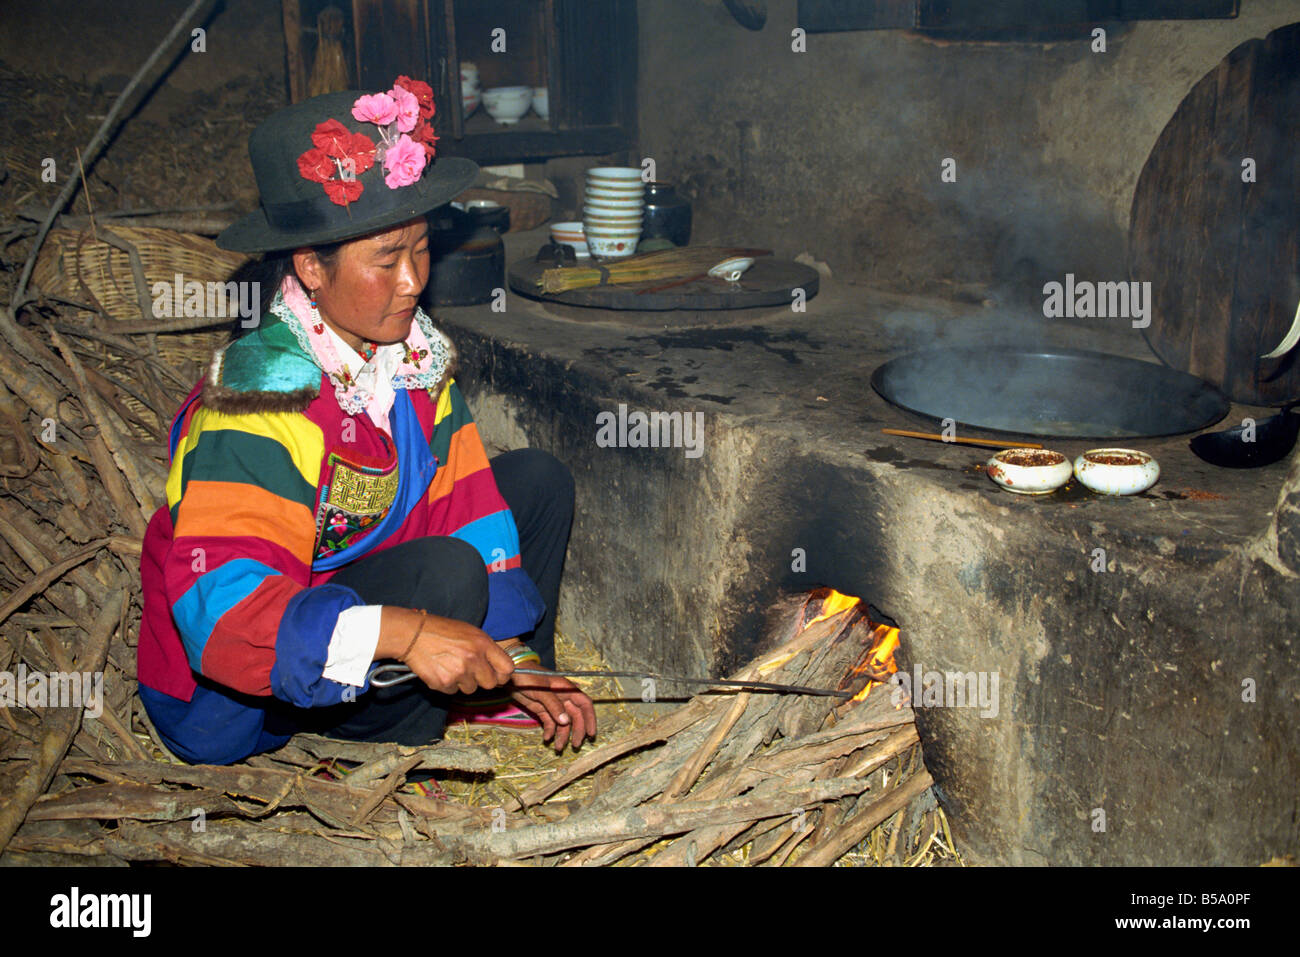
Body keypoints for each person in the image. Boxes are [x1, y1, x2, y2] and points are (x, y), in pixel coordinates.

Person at [136, 79, 596, 766]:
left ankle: (499, 689)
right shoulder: (260, 396)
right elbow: (225, 616)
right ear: (309, 269)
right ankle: (392, 741)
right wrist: (409, 633)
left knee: (535, 480)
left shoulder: (409, 355)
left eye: (420, 248)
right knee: (449, 574)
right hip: (241, 692)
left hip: (349, 579)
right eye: (387, 259)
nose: (413, 279)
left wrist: (512, 654)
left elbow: (465, 498)